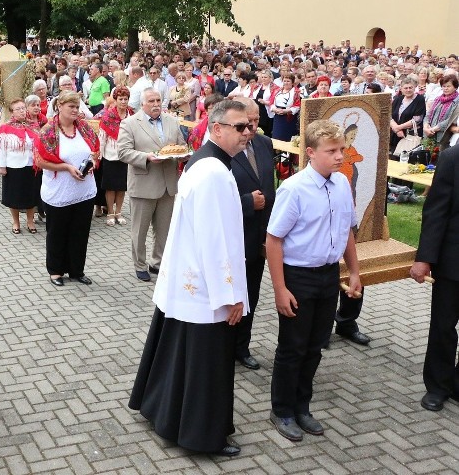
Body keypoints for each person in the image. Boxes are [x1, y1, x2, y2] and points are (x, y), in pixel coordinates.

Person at [129, 99, 251, 457]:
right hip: (206, 290)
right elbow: (216, 241)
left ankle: (165, 415)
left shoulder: (204, 162)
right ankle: (201, 435)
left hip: (188, 282)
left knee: (179, 355)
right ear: (216, 129)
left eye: (249, 127)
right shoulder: (213, 172)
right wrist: (229, 295)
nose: (247, 133)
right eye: (239, 127)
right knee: (204, 366)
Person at [266, 119, 362, 442]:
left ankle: (302, 405)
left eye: (341, 150)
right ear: (310, 152)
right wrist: (280, 289)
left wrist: (354, 272)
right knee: (293, 347)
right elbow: (273, 240)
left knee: (316, 346)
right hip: (298, 276)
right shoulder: (294, 189)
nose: (339, 156)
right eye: (331, 151)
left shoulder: (341, 184)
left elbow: (347, 231)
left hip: (328, 276)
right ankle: (281, 409)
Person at [117, 88, 186, 281]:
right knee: (139, 231)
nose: (156, 104)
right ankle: (140, 264)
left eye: (158, 100)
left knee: (164, 230)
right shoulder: (130, 123)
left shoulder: (172, 121)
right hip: (144, 183)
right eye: (152, 101)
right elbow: (123, 152)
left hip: (168, 185)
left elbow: (180, 144)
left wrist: (184, 156)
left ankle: (158, 263)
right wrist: (145, 157)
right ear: (142, 104)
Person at [410, 144, 459, 411]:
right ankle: (438, 386)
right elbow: (436, 211)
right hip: (453, 261)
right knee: (443, 326)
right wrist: (424, 258)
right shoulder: (453, 158)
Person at [35, 92, 100, 287]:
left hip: (84, 190)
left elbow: (95, 150)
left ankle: (76, 270)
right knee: (57, 232)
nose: (75, 110)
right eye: (71, 106)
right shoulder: (48, 132)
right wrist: (66, 168)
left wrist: (92, 162)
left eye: (77, 106)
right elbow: (39, 161)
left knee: (80, 232)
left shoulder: (85, 128)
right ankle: (55, 271)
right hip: (59, 192)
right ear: (59, 106)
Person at [230, 97, 276, 369]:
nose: (253, 127)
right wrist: (248, 202)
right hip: (235, 235)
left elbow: (267, 185)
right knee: (232, 295)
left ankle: (242, 346)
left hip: (260, 234)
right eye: (247, 122)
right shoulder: (225, 150)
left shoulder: (264, 143)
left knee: (252, 293)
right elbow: (216, 198)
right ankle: (224, 346)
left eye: (257, 120)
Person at [0, 98, 40, 234]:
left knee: (31, 195)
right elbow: (0, 148)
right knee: (14, 196)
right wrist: (1, 166)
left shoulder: (32, 125)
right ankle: (16, 222)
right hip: (13, 166)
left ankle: (30, 221)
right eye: (18, 109)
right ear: (12, 112)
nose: (21, 111)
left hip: (31, 166)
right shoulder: (5, 128)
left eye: (23, 108)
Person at [97, 86, 133, 227]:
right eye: (120, 99)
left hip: (126, 156)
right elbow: (102, 138)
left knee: (122, 186)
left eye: (126, 99)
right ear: (116, 100)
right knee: (110, 187)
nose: (123, 102)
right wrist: (98, 156)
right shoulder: (107, 116)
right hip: (110, 156)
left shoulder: (131, 115)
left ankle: (119, 212)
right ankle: (110, 212)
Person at [390, 76, 426, 154]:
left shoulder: (420, 99)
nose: (408, 90)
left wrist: (398, 127)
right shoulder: (398, 99)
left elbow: (417, 119)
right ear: (401, 88)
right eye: (406, 88)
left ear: (414, 88)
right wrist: (397, 130)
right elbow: (389, 116)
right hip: (395, 135)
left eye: (410, 87)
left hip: (410, 137)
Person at [423, 75, 459, 151]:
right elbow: (428, 114)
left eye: (448, 86)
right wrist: (426, 126)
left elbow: (451, 120)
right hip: (429, 135)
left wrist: (434, 129)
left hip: (443, 137)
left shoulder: (457, 101)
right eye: (443, 86)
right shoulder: (438, 99)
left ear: (455, 87)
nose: (445, 88)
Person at [270, 73, 301, 142]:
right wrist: (275, 109)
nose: (286, 83)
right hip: (278, 118)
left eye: (288, 81)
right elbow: (271, 102)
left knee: (287, 137)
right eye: (284, 81)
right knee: (276, 137)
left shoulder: (296, 92)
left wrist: (285, 111)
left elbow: (297, 106)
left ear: (292, 82)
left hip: (289, 118)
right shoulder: (277, 91)